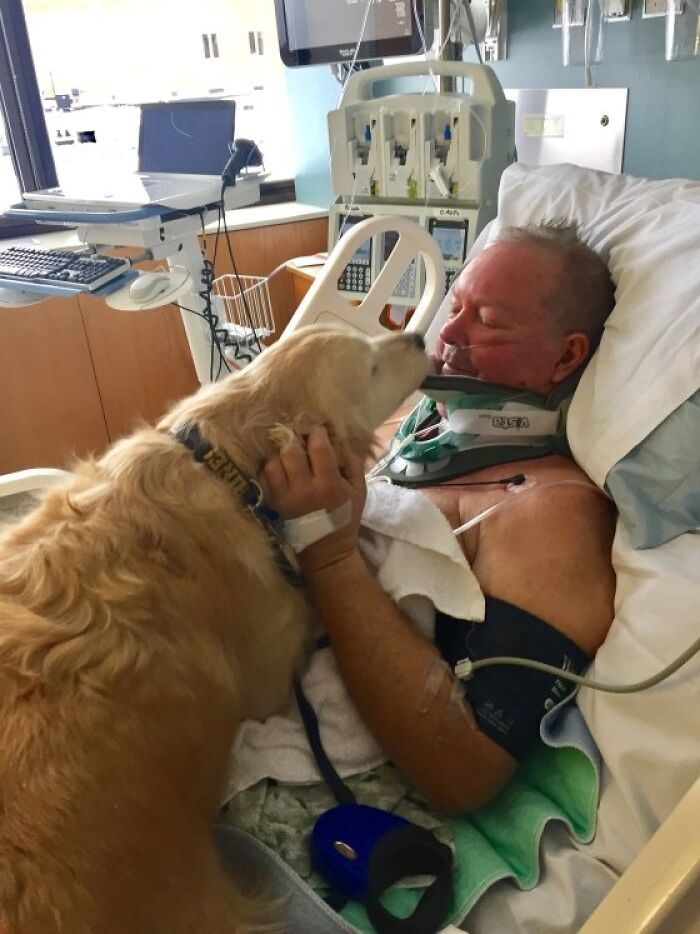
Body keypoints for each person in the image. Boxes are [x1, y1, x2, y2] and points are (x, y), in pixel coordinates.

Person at [262, 221, 618, 815]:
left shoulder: (550, 514)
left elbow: (464, 774)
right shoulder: (419, 432)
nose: (448, 332)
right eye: (457, 307)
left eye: (489, 320)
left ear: (566, 355)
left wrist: (330, 555)